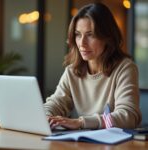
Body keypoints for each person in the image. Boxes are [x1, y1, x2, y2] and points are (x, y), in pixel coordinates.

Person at [44, 2, 141, 130]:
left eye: (90, 35)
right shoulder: (72, 71)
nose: (82, 43)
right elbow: (55, 103)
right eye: (78, 34)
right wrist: (45, 116)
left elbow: (128, 117)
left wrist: (81, 122)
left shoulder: (125, 68)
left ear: (107, 37)